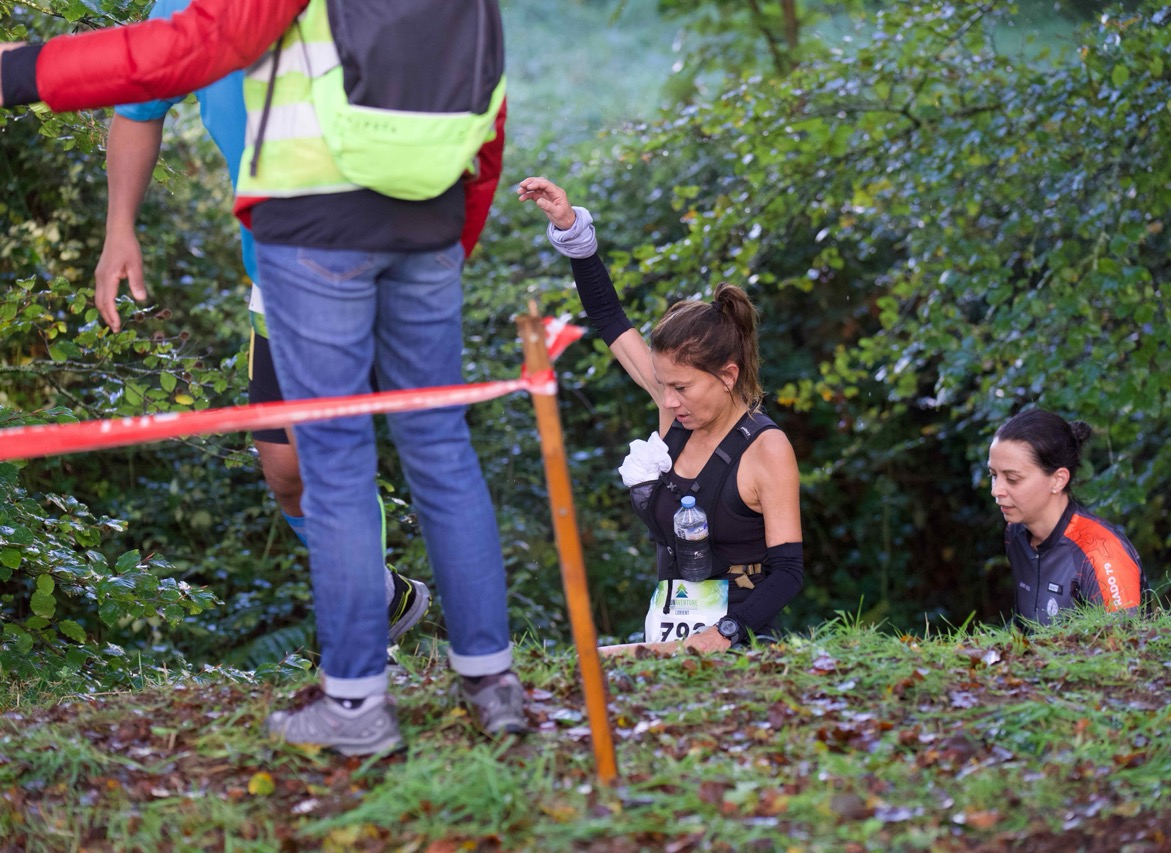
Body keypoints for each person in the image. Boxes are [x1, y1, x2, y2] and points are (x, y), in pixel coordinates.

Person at [1, 0, 526, 754]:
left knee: (334, 464)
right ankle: (492, 684)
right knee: (441, 450)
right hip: (428, 221)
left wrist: (23, 70)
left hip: (314, 228)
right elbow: (488, 99)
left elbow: (189, 45)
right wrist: (451, 240)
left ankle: (356, 706)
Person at [93, 0, 429, 659]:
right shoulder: (182, 6)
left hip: (359, 256)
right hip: (273, 268)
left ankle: (364, 640)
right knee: (286, 472)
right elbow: (136, 108)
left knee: (325, 455)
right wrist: (119, 228)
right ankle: (385, 594)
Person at [517, 176, 804, 653]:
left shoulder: (766, 449)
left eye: (681, 388)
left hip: (739, 647)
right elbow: (608, 317)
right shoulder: (677, 414)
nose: (666, 401)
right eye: (662, 385)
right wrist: (572, 231)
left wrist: (725, 633)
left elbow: (788, 573)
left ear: (728, 375)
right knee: (576, 667)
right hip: (668, 642)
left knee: (581, 666)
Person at [987, 408, 1149, 625]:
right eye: (993, 475)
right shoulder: (1015, 533)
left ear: (1058, 480)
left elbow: (1126, 642)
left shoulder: (1102, 552)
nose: (996, 491)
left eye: (1012, 479)